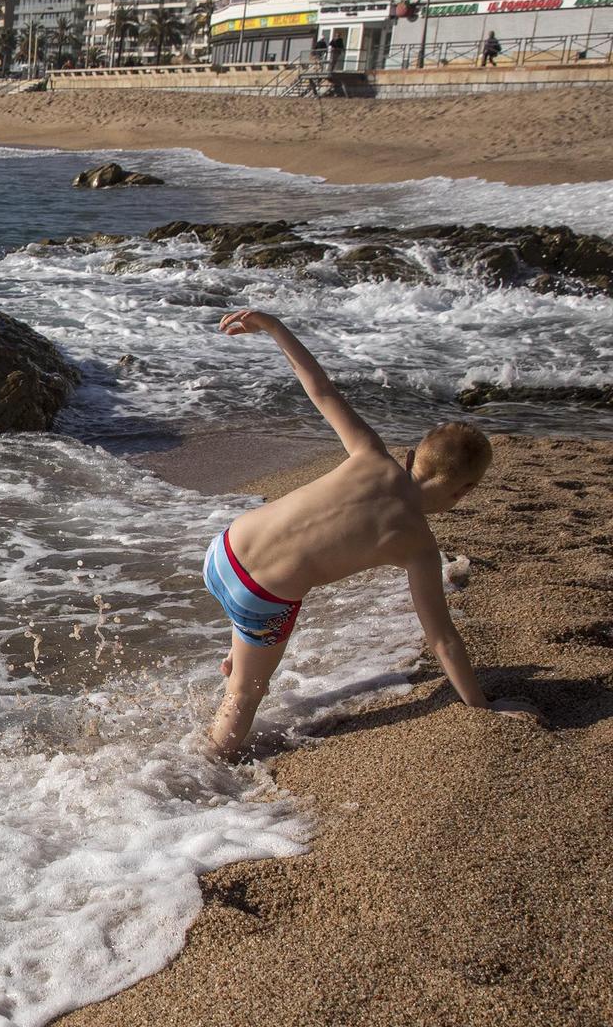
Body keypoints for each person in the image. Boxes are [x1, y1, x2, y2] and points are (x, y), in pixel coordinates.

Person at [200, 309, 537, 760]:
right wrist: (482, 704)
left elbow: (317, 386)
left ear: (414, 454)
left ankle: (240, 652)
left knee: (261, 590)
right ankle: (202, 769)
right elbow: (443, 639)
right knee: (245, 694)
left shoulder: (370, 451)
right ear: (465, 491)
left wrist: (275, 326)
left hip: (224, 550)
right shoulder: (418, 544)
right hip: (261, 597)